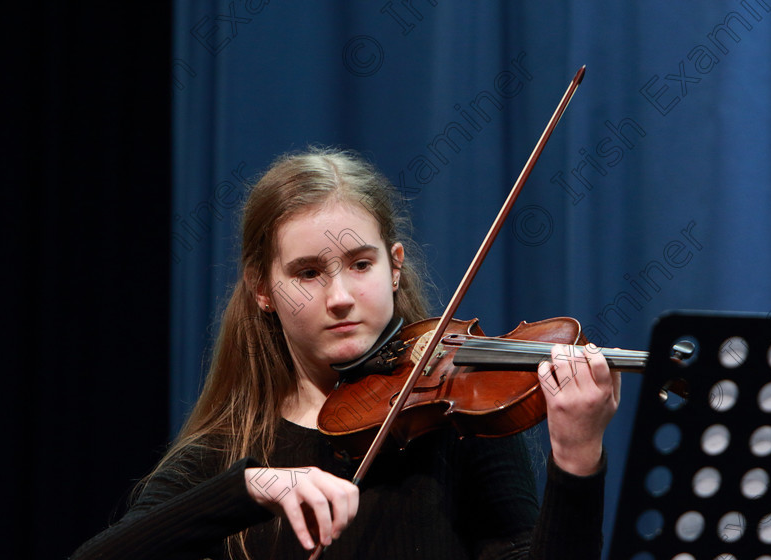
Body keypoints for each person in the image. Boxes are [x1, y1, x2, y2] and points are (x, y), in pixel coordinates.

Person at [71, 147, 621, 560]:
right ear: (263, 289)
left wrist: (576, 457)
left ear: (395, 264)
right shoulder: (229, 451)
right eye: (307, 273)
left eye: (361, 265)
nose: (339, 298)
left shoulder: (457, 420)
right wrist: (252, 486)